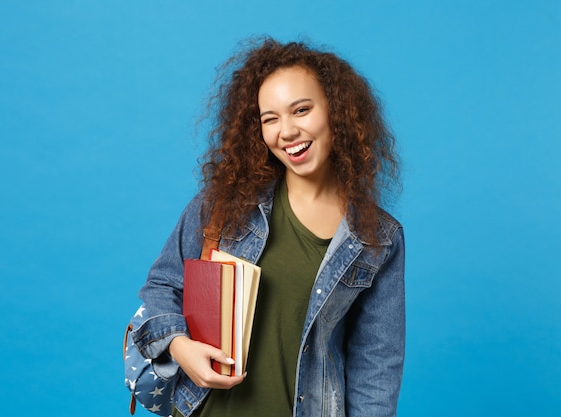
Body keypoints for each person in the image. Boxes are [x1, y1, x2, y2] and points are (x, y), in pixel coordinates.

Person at [132, 37, 405, 417]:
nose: (287, 131)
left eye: (301, 110)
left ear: (337, 111)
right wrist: (180, 347)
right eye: (270, 119)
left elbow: (377, 364)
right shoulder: (224, 202)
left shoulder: (376, 237)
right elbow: (162, 285)